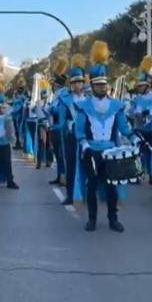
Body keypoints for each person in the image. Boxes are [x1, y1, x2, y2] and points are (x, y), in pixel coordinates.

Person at [75, 45, 140, 233]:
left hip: (111, 151)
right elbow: (79, 130)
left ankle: (113, 219)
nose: (102, 88)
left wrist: (133, 137)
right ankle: (92, 219)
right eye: (98, 85)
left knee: (112, 186)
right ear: (92, 86)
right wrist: (85, 144)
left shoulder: (116, 105)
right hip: (91, 151)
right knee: (92, 185)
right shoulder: (83, 106)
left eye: (104, 85)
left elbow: (123, 127)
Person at [61, 54, 88, 205]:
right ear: (71, 85)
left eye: (80, 82)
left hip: (87, 137)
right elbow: (63, 121)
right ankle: (70, 194)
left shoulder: (89, 100)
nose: (78, 85)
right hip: (71, 138)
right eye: (75, 82)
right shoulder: (65, 100)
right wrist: (70, 125)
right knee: (71, 166)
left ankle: (87, 193)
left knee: (88, 166)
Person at [128, 55, 152, 183]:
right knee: (137, 152)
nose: (138, 88)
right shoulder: (136, 98)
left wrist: (148, 114)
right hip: (138, 129)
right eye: (138, 86)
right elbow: (129, 112)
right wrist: (135, 114)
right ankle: (137, 175)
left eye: (141, 85)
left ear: (147, 86)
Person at [47, 63, 68, 185]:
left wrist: (51, 109)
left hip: (61, 127)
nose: (53, 85)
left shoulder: (63, 94)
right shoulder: (55, 95)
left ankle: (64, 176)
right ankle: (59, 175)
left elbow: (59, 110)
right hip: (54, 126)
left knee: (61, 153)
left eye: (54, 83)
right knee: (57, 153)